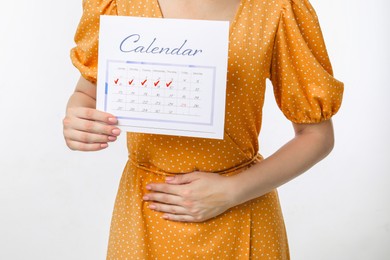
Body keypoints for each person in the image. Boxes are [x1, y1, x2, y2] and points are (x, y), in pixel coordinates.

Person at [63, 0, 344, 258]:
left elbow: (317, 136)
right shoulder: (119, 4)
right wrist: (78, 117)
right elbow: (86, 94)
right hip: (145, 211)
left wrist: (233, 191)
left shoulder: (276, 8)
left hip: (242, 211)